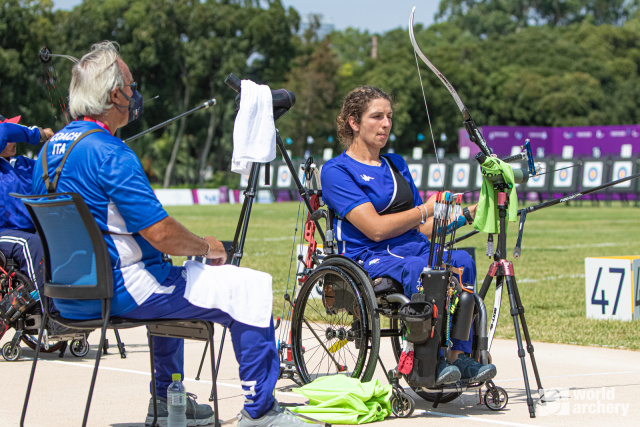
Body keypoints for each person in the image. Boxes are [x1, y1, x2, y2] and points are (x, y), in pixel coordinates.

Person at [31, 41, 305, 427]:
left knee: (168, 270)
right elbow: (161, 232)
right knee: (249, 287)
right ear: (115, 95)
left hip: (66, 298)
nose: (135, 92)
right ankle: (261, 413)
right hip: (123, 292)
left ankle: (166, 399)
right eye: (131, 84)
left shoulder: (47, 153)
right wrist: (205, 246)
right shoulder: (110, 152)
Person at [320, 85, 497, 386]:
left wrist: (468, 213)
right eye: (377, 116)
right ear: (353, 122)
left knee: (462, 260)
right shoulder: (336, 171)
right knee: (421, 269)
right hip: (368, 257)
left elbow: (424, 229)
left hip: (411, 247)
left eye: (389, 116)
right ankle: (425, 363)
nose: (386, 124)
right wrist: (425, 209)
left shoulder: (396, 165)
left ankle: (458, 358)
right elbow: (375, 229)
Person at [0, 115, 54, 296]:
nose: (13, 139)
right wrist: (41, 134)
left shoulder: (23, 164)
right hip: (4, 232)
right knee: (30, 244)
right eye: (11, 137)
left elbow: (53, 169)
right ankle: (49, 309)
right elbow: (5, 131)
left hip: (29, 229)